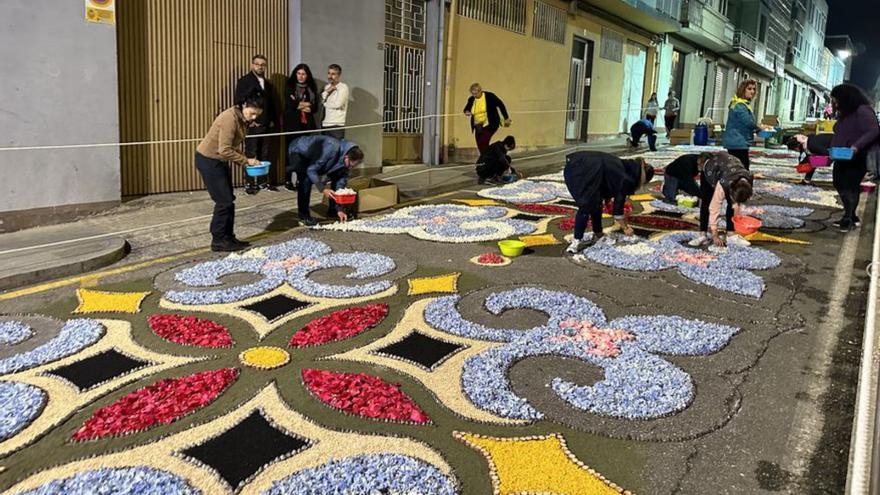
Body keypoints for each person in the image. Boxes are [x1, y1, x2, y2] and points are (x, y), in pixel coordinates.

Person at [195, 92, 265, 252]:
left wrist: (247, 160)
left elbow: (231, 148)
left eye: (257, 115)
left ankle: (228, 237)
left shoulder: (241, 118)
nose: (254, 117)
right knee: (224, 201)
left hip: (219, 160)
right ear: (244, 105)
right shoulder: (230, 118)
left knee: (229, 199)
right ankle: (218, 240)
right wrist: (247, 161)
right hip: (209, 160)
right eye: (252, 113)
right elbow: (225, 149)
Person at [563, 151, 654, 254]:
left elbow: (608, 178)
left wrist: (606, 197)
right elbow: (618, 210)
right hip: (581, 171)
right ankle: (576, 241)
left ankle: (597, 234)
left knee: (596, 203)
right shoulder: (627, 179)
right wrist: (626, 228)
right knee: (587, 205)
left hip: (578, 165)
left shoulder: (628, 167)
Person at [829, 83, 880, 232]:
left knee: (850, 186)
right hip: (841, 155)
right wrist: (830, 154)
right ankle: (850, 214)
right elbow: (840, 133)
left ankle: (849, 218)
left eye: (835, 99)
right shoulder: (845, 113)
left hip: (857, 156)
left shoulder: (862, 110)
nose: (834, 102)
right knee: (838, 183)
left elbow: (873, 131)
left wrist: (855, 147)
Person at [287, 135, 364, 226]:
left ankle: (333, 211)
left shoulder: (345, 164)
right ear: (346, 157)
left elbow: (339, 187)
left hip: (316, 158)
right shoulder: (331, 148)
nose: (350, 168)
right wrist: (322, 189)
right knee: (305, 180)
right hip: (299, 150)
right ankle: (303, 216)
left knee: (338, 177)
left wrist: (339, 209)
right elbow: (311, 170)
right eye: (350, 165)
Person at [688, 152, 754, 248]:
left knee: (732, 205)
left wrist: (737, 219)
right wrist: (715, 234)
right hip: (713, 169)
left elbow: (737, 202)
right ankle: (703, 235)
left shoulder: (748, 180)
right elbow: (714, 207)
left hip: (728, 168)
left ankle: (731, 235)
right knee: (707, 201)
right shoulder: (723, 184)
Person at [234, 54, 279, 194]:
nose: (260, 67)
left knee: (265, 153)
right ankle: (249, 183)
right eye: (257, 64)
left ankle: (262, 182)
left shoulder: (268, 83)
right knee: (250, 153)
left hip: (266, 123)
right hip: (251, 123)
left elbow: (271, 104)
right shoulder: (244, 81)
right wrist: (248, 121)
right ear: (252, 65)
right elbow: (239, 101)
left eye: (262, 64)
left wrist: (272, 120)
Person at [283, 63, 319, 189]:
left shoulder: (312, 88)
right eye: (299, 73)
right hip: (292, 125)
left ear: (307, 75)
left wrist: (300, 104)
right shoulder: (289, 86)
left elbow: (315, 107)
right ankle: (288, 180)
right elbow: (291, 104)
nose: (301, 76)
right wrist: (305, 105)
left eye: (303, 74)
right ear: (295, 74)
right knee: (290, 152)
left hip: (306, 125)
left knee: (304, 152)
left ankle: (300, 179)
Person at [723, 79, 765, 170]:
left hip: (737, 140)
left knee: (737, 166)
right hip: (737, 141)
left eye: (754, 89)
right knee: (742, 167)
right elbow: (748, 122)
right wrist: (759, 127)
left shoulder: (741, 103)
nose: (752, 92)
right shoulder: (740, 105)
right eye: (749, 89)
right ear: (743, 90)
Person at [463, 83, 511, 155]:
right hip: (478, 125)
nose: (474, 95)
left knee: (484, 141)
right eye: (473, 94)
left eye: (476, 93)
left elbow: (501, 105)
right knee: (479, 143)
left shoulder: (490, 96)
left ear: (480, 91)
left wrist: (506, 118)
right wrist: (467, 112)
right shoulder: (471, 99)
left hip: (491, 123)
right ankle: (485, 159)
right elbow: (467, 108)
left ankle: (488, 158)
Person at [321, 64, 349, 140]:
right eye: (329, 73)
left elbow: (337, 104)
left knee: (337, 149)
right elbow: (321, 99)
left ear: (338, 75)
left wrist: (325, 103)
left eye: (333, 74)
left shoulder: (343, 87)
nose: (330, 76)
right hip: (325, 124)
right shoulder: (327, 87)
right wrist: (327, 91)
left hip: (337, 124)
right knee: (325, 150)